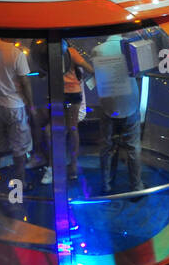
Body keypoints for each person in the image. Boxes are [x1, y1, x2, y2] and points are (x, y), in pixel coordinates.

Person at [91, 36, 143, 195]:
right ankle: (136, 186)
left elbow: (96, 76)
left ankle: (106, 185)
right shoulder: (131, 46)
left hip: (109, 105)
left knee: (107, 147)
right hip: (130, 103)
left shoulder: (97, 50)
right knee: (133, 147)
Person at [0, 37, 39, 185]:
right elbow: (25, 83)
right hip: (15, 106)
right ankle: (20, 183)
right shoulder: (18, 54)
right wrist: (31, 105)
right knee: (19, 147)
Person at [61, 42, 94, 181]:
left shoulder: (52, 50)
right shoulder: (70, 51)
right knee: (71, 127)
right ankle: (72, 164)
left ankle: (66, 164)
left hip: (63, 95)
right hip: (72, 94)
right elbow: (89, 69)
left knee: (67, 127)